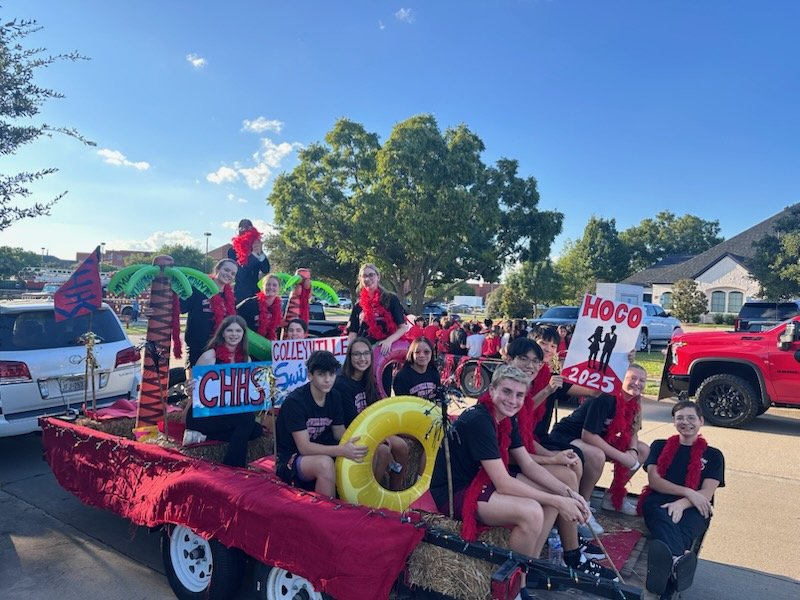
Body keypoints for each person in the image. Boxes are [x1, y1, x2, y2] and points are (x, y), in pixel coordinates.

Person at [429, 365, 615, 579]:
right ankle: (516, 585)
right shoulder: (479, 420)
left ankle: (531, 565)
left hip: (482, 479)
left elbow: (528, 464)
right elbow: (504, 484)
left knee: (557, 487)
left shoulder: (507, 417)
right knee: (532, 512)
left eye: (519, 395)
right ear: (491, 391)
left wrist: (570, 494)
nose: (512, 400)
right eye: (507, 391)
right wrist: (557, 500)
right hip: (457, 492)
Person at [640, 400, 725, 599]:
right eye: (680, 418)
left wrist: (682, 502)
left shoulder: (713, 455)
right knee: (657, 512)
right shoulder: (660, 445)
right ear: (674, 422)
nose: (685, 422)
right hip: (660, 501)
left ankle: (671, 568)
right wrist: (688, 492)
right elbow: (654, 481)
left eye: (691, 418)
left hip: (695, 507)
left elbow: (706, 492)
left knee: (682, 532)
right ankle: (679, 559)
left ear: (701, 421)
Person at [548, 364, 651, 517]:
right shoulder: (606, 397)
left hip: (597, 438)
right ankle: (584, 504)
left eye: (642, 380)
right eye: (632, 378)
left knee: (643, 449)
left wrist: (632, 451)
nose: (637, 383)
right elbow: (588, 435)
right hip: (567, 436)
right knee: (596, 455)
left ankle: (613, 497)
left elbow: (633, 430)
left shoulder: (635, 401)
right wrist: (622, 456)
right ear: (621, 380)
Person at [275, 350, 368, 496]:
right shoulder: (295, 402)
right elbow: (304, 448)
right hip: (291, 458)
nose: (327, 380)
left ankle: (360, 508)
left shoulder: (335, 396)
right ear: (310, 375)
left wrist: (366, 440)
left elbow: (339, 434)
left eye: (331, 374)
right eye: (321, 374)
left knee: (367, 452)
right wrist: (341, 450)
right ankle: (327, 514)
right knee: (324, 464)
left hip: (322, 447)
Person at [184, 315, 263, 467]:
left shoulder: (246, 360)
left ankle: (206, 438)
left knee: (256, 430)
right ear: (222, 333)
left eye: (238, 331)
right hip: (205, 416)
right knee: (247, 422)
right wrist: (190, 389)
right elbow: (195, 391)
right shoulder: (209, 357)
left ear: (243, 334)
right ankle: (234, 465)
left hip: (229, 415)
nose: (234, 334)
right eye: (230, 330)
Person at [334, 338, 409, 490]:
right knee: (383, 450)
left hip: (369, 429)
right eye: (357, 354)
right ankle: (367, 494)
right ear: (349, 357)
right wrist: (379, 438)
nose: (362, 358)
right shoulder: (342, 383)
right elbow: (352, 422)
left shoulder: (368, 379)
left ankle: (395, 492)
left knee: (401, 446)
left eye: (366, 353)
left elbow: (375, 411)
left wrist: (384, 432)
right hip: (352, 433)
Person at [182, 258, 238, 367]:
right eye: (226, 270)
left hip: (221, 347)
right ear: (217, 269)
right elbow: (179, 307)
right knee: (195, 382)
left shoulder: (230, 297)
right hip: (197, 346)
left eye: (233, 273)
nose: (229, 275)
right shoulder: (199, 289)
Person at [347, 263, 409, 355]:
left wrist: (388, 341)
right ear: (360, 279)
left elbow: (403, 328)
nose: (367, 279)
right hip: (364, 351)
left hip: (384, 351)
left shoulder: (390, 299)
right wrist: (352, 350)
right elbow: (353, 332)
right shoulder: (358, 305)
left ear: (378, 277)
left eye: (371, 275)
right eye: (364, 276)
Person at [228, 219, 271, 304]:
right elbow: (240, 272)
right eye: (242, 228)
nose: (245, 231)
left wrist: (260, 253)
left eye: (248, 228)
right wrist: (254, 255)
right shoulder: (233, 251)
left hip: (256, 293)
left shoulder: (256, 248)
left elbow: (266, 269)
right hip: (241, 294)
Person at [236, 273, 283, 342]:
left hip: (267, 345)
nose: (271, 287)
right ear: (262, 287)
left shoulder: (279, 307)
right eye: (268, 284)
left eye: (274, 285)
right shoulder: (250, 303)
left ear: (279, 289)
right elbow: (233, 316)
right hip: (249, 344)